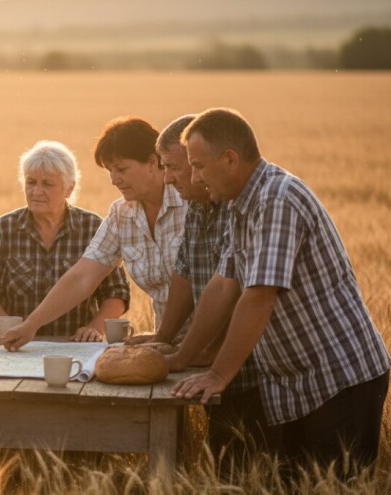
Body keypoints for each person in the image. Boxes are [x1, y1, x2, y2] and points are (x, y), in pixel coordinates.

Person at [169, 108, 391, 478]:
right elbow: (223, 285)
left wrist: (219, 374)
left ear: (230, 159)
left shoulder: (277, 200)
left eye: (199, 166)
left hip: (338, 381)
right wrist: (182, 356)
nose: (194, 177)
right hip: (298, 386)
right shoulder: (241, 204)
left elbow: (258, 296)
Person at [129, 114, 277, 473]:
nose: (174, 178)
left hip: (250, 366)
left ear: (223, 160)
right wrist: (167, 339)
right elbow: (188, 271)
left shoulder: (247, 203)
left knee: (251, 468)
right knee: (227, 467)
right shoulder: (199, 204)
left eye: (181, 166)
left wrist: (192, 359)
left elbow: (245, 294)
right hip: (219, 364)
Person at [0, 116, 187, 351]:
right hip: (165, 343)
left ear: (152, 163)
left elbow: (207, 286)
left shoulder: (190, 203)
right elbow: (82, 277)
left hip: (212, 343)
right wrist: (31, 325)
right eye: (110, 171)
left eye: (121, 169)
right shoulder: (121, 214)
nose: (114, 180)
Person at [0, 140, 130, 341]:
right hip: (17, 348)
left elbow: (117, 292)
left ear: (69, 189)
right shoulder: (5, 228)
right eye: (31, 182)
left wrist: (94, 328)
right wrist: (11, 331)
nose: (37, 191)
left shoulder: (92, 227)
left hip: (75, 345)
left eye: (47, 184)